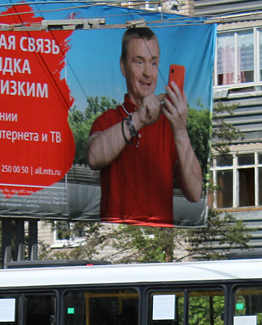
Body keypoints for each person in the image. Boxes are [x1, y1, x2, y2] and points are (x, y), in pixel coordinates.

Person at [87, 26, 203, 227]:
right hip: (115, 240)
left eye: (153, 63)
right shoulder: (107, 120)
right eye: (139, 62)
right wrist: (139, 118)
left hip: (158, 244)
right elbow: (93, 157)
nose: (148, 73)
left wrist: (180, 129)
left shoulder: (171, 124)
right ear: (123, 67)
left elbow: (194, 192)